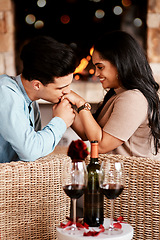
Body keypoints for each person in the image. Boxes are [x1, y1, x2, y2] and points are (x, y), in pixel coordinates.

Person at [64, 30, 160, 159]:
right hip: (115, 175)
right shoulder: (117, 94)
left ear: (120, 64)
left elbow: (101, 145)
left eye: (100, 67)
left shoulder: (133, 98)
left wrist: (81, 104)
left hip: (131, 177)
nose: (96, 74)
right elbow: (89, 133)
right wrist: (65, 103)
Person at [0, 36, 77, 163]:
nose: (67, 92)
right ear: (37, 85)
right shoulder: (5, 92)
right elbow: (30, 152)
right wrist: (60, 121)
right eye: (61, 87)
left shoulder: (30, 99)